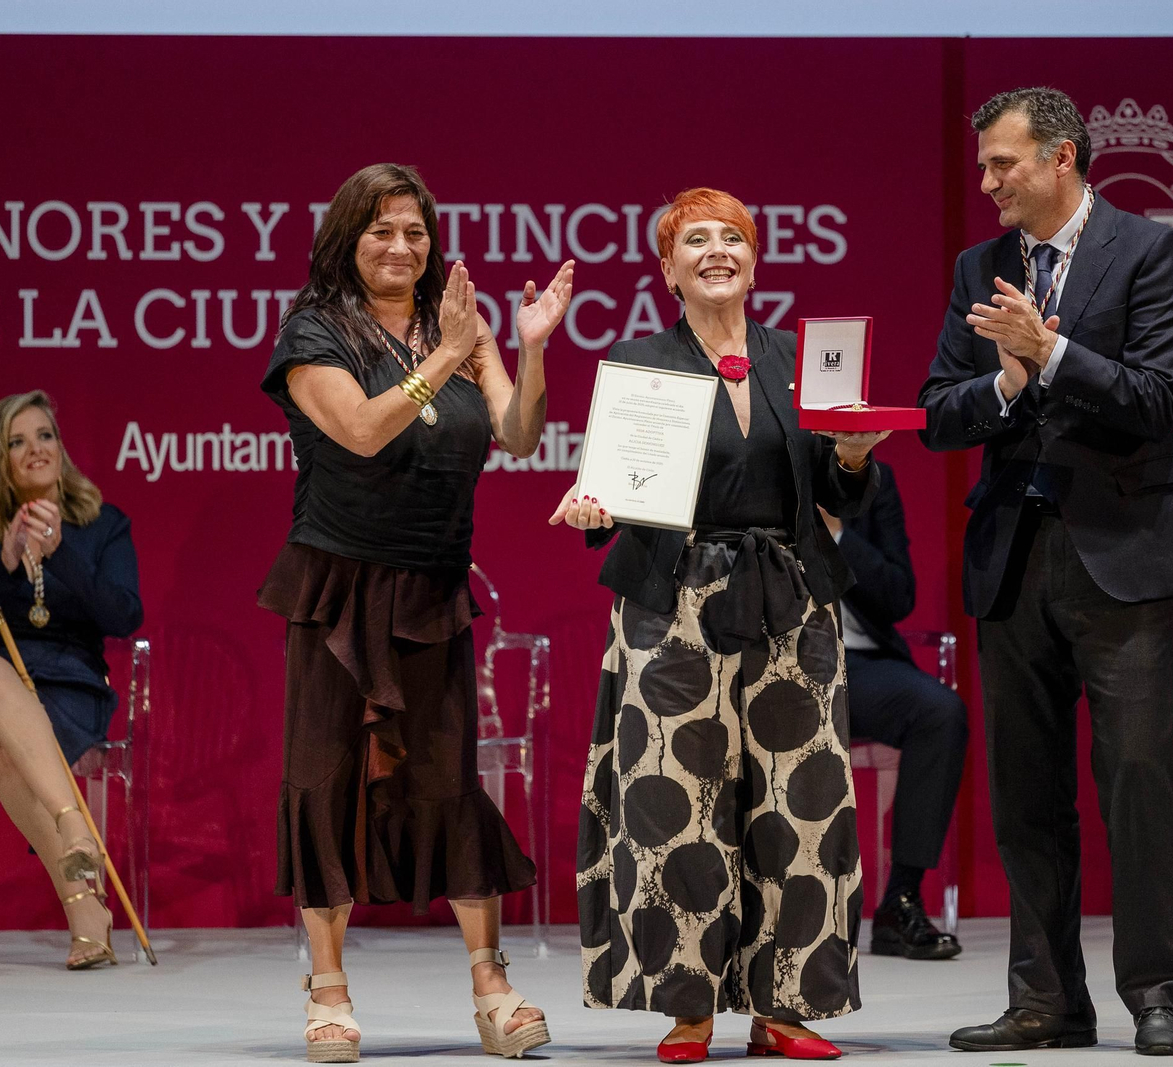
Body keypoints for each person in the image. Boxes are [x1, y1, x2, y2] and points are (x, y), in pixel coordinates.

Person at [554, 187, 888, 1063]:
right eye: (694, 239)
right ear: (668, 269)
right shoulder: (641, 363)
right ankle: (688, 1008)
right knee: (675, 801)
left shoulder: (802, 360)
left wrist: (854, 456)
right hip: (674, 599)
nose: (716, 251)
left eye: (732, 237)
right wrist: (592, 504)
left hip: (792, 598)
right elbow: (614, 484)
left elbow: (840, 490)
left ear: (754, 259)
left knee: (800, 801)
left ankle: (786, 1007)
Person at [258, 162, 573, 1064]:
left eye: (416, 231)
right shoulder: (314, 329)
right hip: (339, 586)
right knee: (326, 777)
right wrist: (448, 353)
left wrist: (529, 347)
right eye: (381, 230)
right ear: (347, 239)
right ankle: (328, 990)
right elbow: (361, 429)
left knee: (446, 779)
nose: (401, 247)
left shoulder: (458, 324)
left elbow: (519, 434)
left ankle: (491, 986)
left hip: (432, 586)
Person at [919, 87, 1173, 1057]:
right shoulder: (980, 266)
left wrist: (1051, 352)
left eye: (1003, 164)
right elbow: (938, 412)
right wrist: (1005, 381)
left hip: (1121, 552)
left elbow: (1157, 399)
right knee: (1025, 792)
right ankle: (1046, 998)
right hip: (1012, 556)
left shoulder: (1147, 250)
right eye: (983, 166)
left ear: (1062, 158)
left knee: (1136, 777)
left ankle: (1156, 993)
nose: (988, 183)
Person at [0, 389, 143, 970]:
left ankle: (86, 915)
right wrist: (2, 567)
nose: (35, 450)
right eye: (16, 442)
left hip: (69, 685)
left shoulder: (102, 524)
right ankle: (76, 828)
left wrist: (61, 554)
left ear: (60, 446)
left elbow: (124, 616)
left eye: (44, 435)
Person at [816, 460, 968, 961]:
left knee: (939, 711)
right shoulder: (760, 470)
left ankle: (900, 900)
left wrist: (837, 534)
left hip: (860, 666)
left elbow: (899, 595)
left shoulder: (874, 481)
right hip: (778, 660)